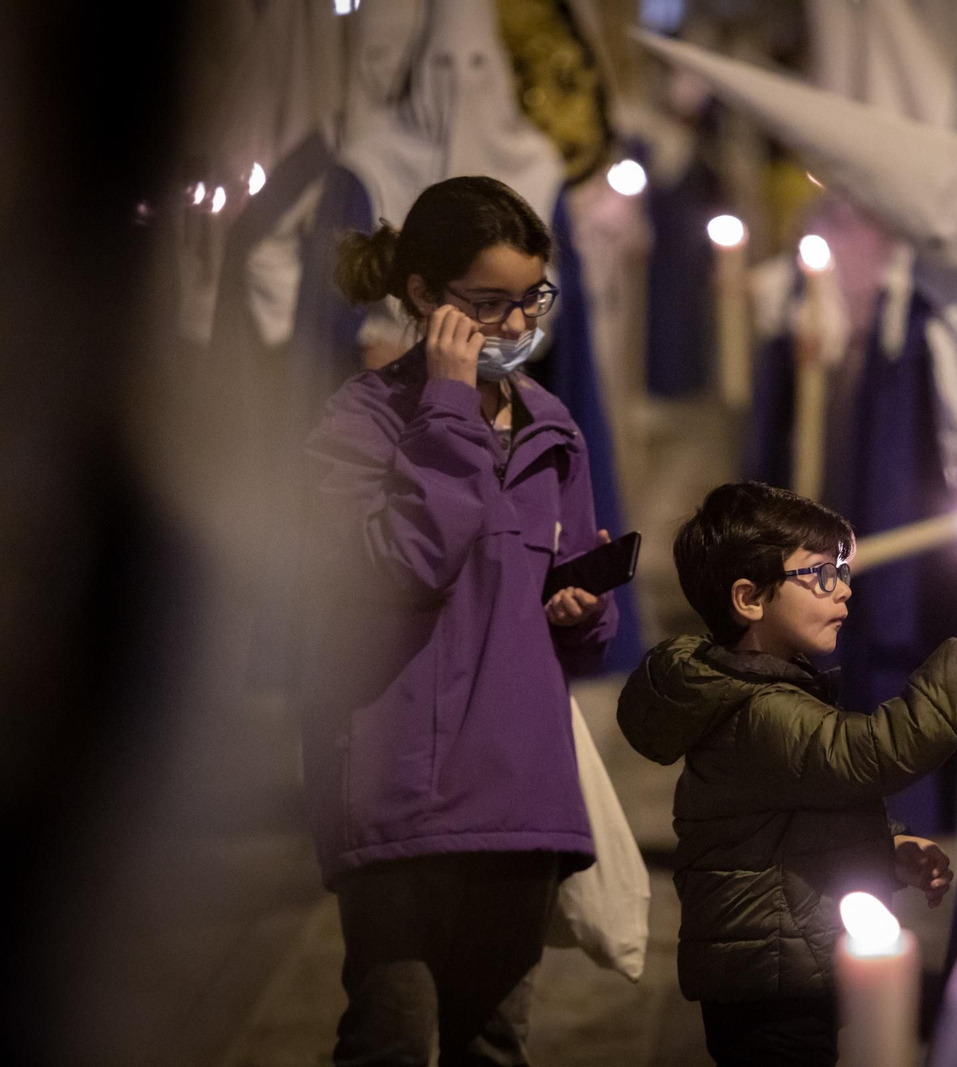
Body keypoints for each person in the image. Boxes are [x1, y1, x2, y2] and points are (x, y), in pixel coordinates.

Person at [298, 174, 617, 1066]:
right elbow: (400, 567)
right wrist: (444, 406)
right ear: (425, 298)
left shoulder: (554, 429)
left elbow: (576, 635)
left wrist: (583, 608)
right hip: (400, 787)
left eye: (531, 300)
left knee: (496, 1042)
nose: (518, 328)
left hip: (519, 790)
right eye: (489, 305)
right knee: (390, 1035)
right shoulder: (359, 424)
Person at [617, 481, 957, 1067]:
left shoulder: (765, 691)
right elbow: (875, 752)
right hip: (768, 984)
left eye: (841, 571)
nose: (842, 591)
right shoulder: (760, 710)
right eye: (819, 576)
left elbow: (791, 826)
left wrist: (883, 849)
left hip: (781, 966)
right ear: (749, 598)